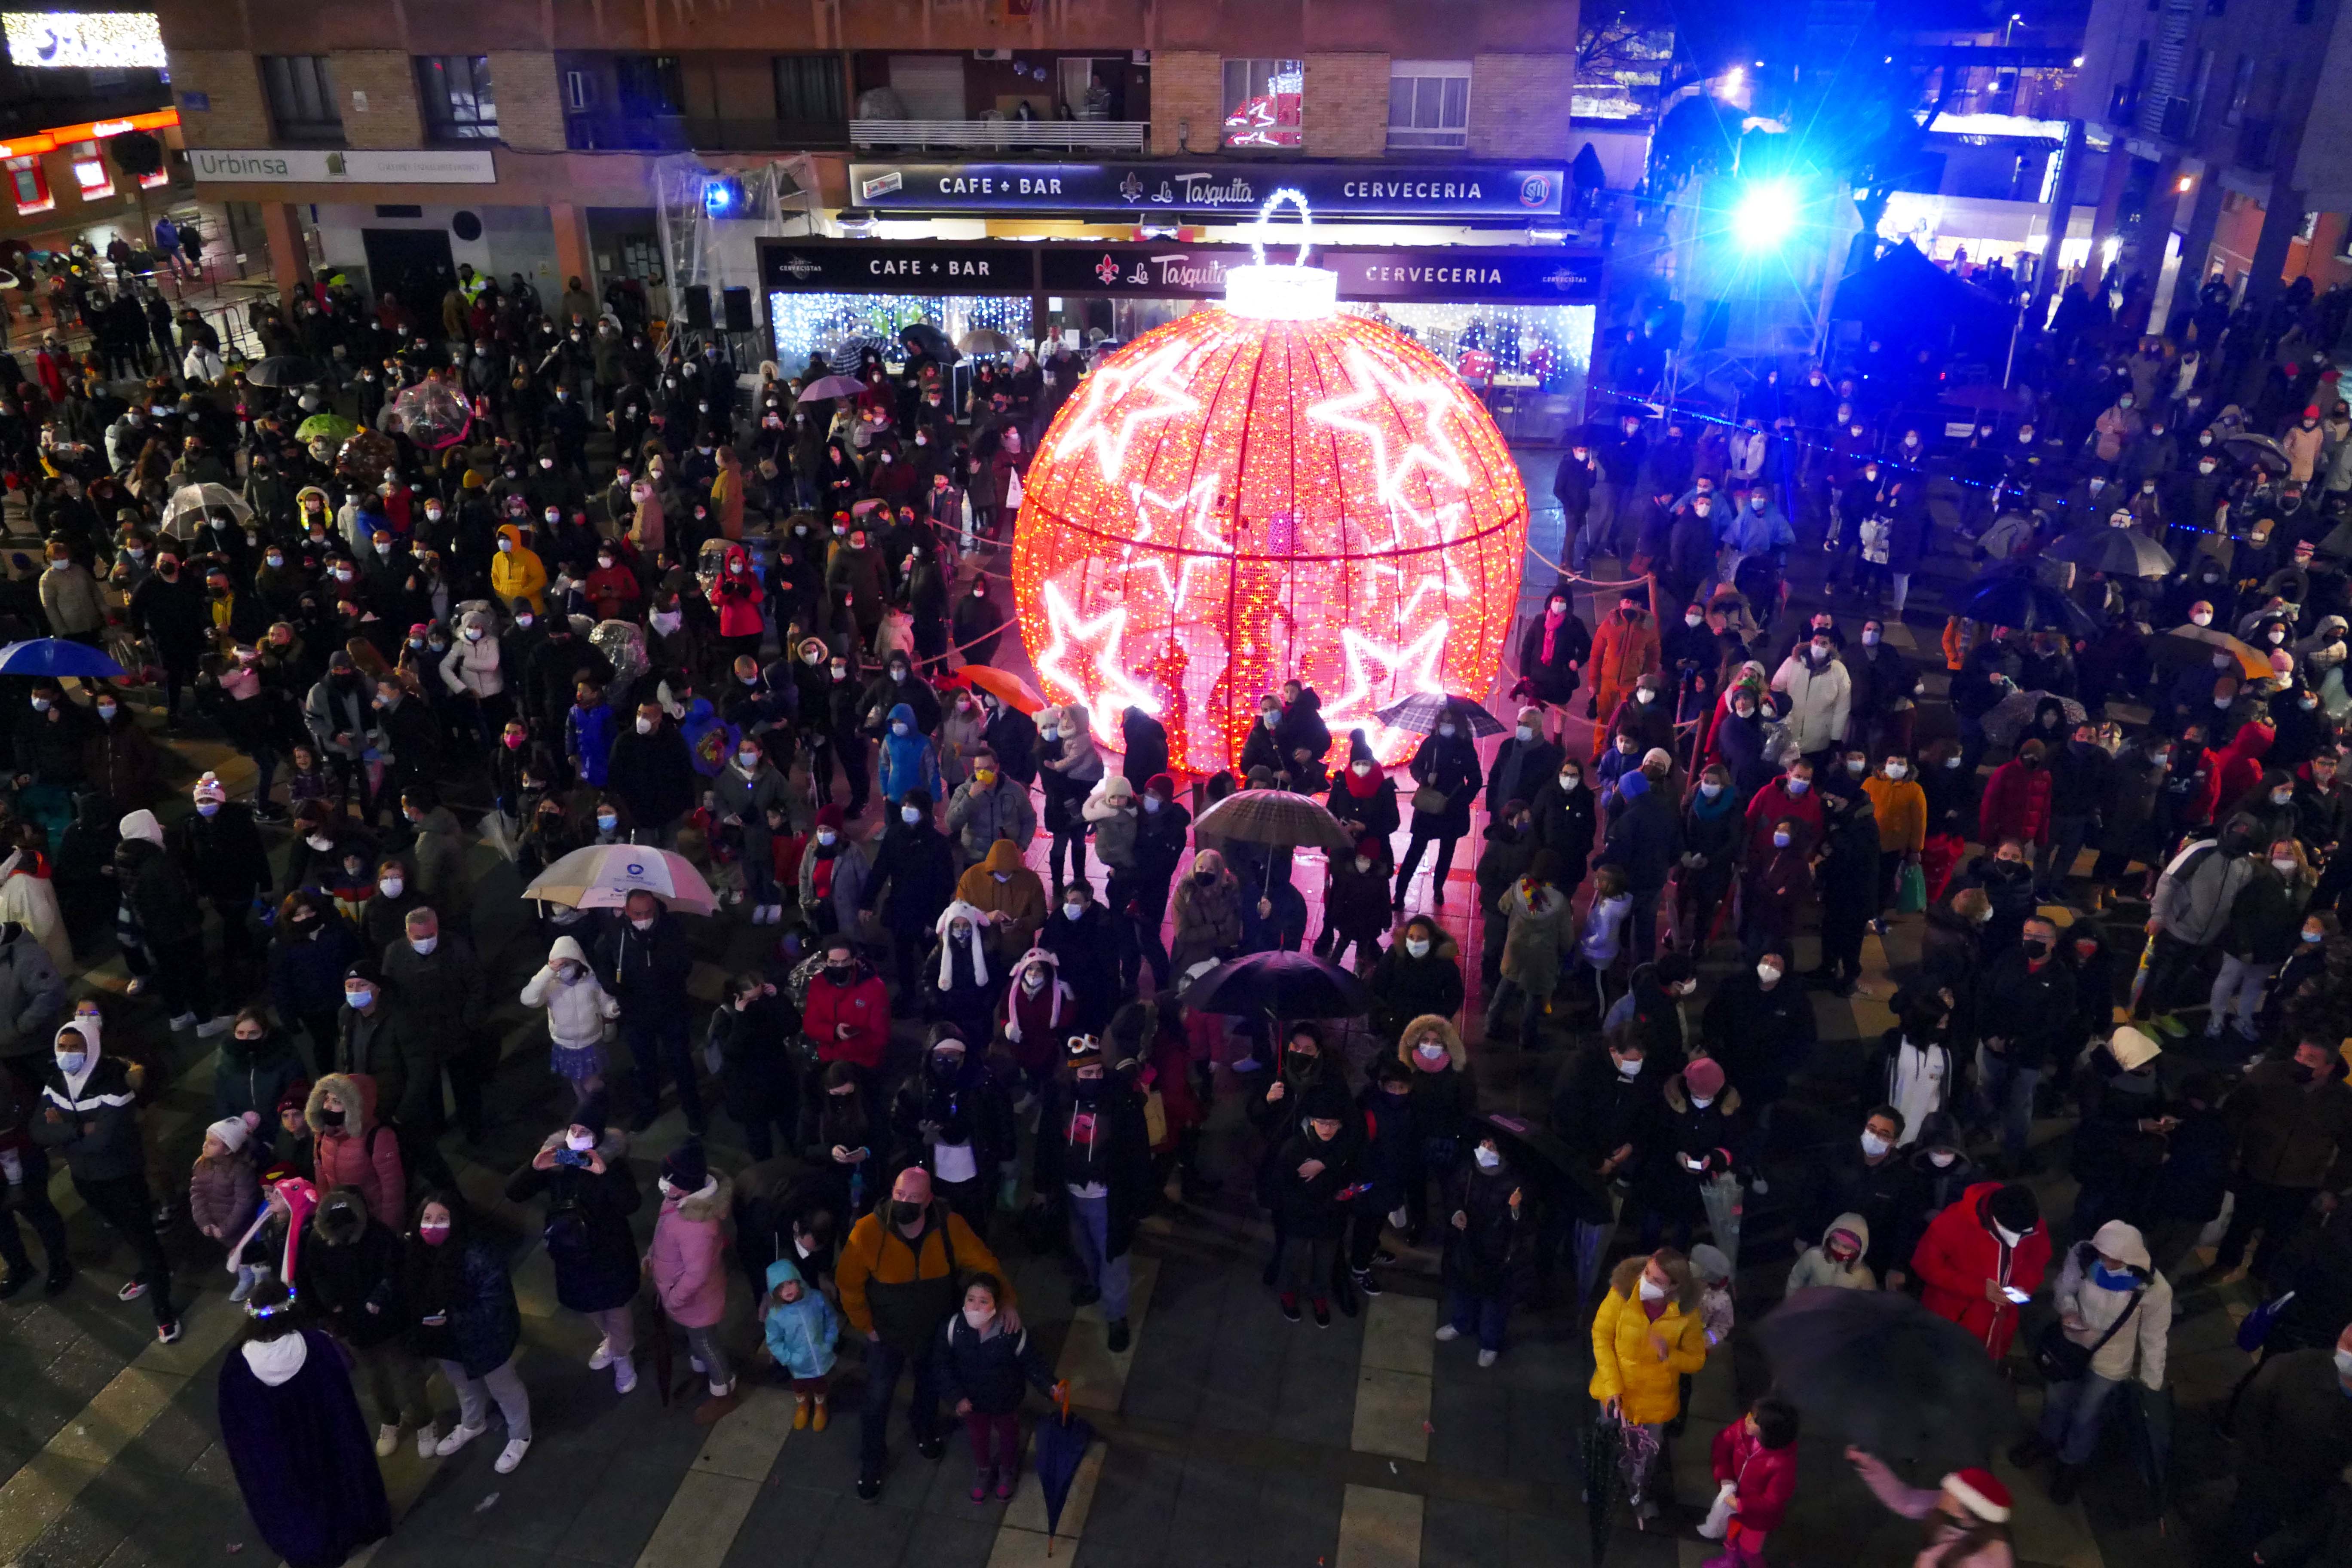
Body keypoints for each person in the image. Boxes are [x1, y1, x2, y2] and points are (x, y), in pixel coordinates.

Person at [837, 1165, 1016, 1501]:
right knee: (877, 1399)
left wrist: (1005, 1300)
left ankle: (924, 1430)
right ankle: (872, 1461)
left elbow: (984, 1263)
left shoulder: (950, 1227)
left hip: (933, 1332)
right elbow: (848, 1285)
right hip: (887, 1335)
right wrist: (867, 1327)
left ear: (929, 1199)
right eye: (900, 1194)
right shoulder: (867, 1232)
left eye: (914, 1197)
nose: (904, 1202)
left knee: (929, 1388)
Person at [215, 1279, 393, 1568]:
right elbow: (341, 1399)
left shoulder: (237, 1369)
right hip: (328, 1441)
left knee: (298, 1502)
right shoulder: (317, 1345)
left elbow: (239, 1431)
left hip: (281, 1456)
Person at [35, 1018, 178, 1340]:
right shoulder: (57, 1082)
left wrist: (63, 1131)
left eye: (75, 1048)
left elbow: (106, 1139)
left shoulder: (113, 1084)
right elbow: (37, 1129)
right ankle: (148, 1270)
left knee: (142, 1234)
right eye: (63, 1047)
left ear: (92, 1049)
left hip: (121, 1177)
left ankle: (164, 1310)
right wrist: (79, 1129)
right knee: (126, 1230)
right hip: (86, 1179)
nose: (67, 1054)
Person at [2008, 1219, 2169, 1502]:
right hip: (2071, 1346)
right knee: (2057, 1400)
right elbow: (2064, 1288)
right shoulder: (2084, 1256)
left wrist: (2151, 1385)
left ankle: (2071, 1463)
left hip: (2111, 1360)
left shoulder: (2153, 1289)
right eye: (2103, 1255)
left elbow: (2154, 1338)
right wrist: (2069, 1311)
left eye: (2115, 1259)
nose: (2107, 1262)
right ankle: (2047, 1440)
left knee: (2088, 1415)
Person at [504, 1095, 643, 1397]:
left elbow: (631, 1203)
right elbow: (514, 1192)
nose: (576, 1137)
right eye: (574, 1130)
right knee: (591, 1307)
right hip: (573, 1253)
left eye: (585, 1132)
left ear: (599, 1136)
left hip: (610, 1253)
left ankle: (622, 1356)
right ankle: (611, 1340)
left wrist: (604, 1174)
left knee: (617, 1309)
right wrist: (534, 1168)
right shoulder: (561, 1159)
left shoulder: (611, 1163)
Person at [1032, 1032, 1152, 1352]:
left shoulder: (1121, 1100)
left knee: (1113, 1257)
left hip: (1108, 1197)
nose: (1094, 1078)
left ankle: (1116, 1315)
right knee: (1083, 1247)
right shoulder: (1058, 1098)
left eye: (1098, 1072)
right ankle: (1092, 1284)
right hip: (1071, 1193)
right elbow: (1047, 1141)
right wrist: (1043, 1185)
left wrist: (1140, 1199)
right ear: (1073, 1073)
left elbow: (1137, 1151)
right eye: (1087, 1074)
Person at [297, 1186, 434, 1457]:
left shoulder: (379, 1236)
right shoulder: (316, 1241)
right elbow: (311, 1279)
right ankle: (390, 1420)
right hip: (353, 1325)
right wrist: (327, 1308)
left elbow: (397, 1272)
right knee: (375, 1376)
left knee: (408, 1372)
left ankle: (424, 1421)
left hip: (392, 1320)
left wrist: (382, 1300)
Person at [404, 1193, 531, 1473]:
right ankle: (473, 1423)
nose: (432, 1226)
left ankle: (520, 1434)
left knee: (504, 1388)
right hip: (448, 1339)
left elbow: (495, 1304)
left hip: (486, 1338)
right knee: (462, 1383)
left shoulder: (478, 1255)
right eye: (427, 1219)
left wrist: (452, 1318)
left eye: (441, 1219)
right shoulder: (416, 1252)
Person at [2211, 1034, 2352, 1284]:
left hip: (2300, 1184)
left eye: (2311, 1059)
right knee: (2239, 1225)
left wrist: (2332, 1189)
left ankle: (2259, 1277)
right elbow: (2235, 1113)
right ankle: (2224, 1264)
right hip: (2255, 1169)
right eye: (2299, 1054)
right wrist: (2231, 1154)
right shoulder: (2268, 1076)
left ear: (2328, 1068)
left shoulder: (2343, 1101)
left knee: (2279, 1235)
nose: (2300, 1062)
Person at [1589, 1248, 1709, 1526]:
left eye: (1657, 1280)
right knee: (1607, 1443)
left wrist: (1669, 1354)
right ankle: (1601, 1489)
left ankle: (1638, 1498)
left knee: (1644, 1457)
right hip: (1615, 1393)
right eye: (1647, 1274)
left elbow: (1696, 1361)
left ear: (1675, 1286)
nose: (1647, 1282)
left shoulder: (1687, 1314)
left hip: (1655, 1401)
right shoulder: (1621, 1293)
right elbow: (1601, 1336)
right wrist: (1613, 1386)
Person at [935, 1271, 1063, 1503]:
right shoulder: (953, 1329)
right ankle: (983, 1470)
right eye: (971, 1299)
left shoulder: (1011, 1334)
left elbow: (1033, 1364)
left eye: (984, 1301)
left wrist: (1051, 1387)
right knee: (978, 1436)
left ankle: (1007, 1470)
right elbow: (942, 1366)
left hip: (1005, 1399)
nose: (975, 1307)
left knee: (1008, 1435)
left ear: (996, 1304)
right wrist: (956, 1398)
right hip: (972, 1402)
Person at [2231, 1321, 2352, 1556]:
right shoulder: (2291, 1368)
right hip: (2267, 1480)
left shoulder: (2287, 1366)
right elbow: (2249, 1419)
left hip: (2314, 1498)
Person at [648, 1141, 738, 1423]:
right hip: (687, 1297)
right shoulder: (681, 1202)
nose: (664, 1185)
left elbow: (697, 1274)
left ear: (686, 1186)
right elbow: (663, 1233)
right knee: (696, 1340)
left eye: (670, 1180)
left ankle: (724, 1392)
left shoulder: (698, 1226)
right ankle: (704, 1376)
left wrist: (674, 1299)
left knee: (706, 1343)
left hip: (695, 1299)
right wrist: (652, 1256)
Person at [594, 889, 698, 1133]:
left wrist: (658, 954)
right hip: (636, 1013)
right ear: (627, 912)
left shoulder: (671, 928)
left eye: (648, 913)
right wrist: (612, 985)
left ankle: (693, 1111)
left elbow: (685, 965)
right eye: (638, 914)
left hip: (671, 1009)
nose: (644, 918)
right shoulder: (615, 933)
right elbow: (603, 963)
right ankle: (648, 1108)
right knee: (644, 1065)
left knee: (681, 1062)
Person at [1912, 1180, 2050, 1360]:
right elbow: (1925, 1264)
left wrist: (2024, 1285)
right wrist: (1978, 1288)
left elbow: (2037, 1259)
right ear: (1993, 1218)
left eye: (2023, 1236)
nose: (2017, 1242)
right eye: (2011, 1235)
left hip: (1999, 1327)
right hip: (1954, 1323)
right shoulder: (1954, 1221)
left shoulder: (2028, 1219)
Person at [1435, 1128, 1525, 1366]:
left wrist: (1515, 1209)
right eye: (1484, 1143)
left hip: (1498, 1250)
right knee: (1462, 1286)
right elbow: (1452, 1194)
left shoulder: (1515, 1181)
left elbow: (1523, 1224)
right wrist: (1456, 1214)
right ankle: (1461, 1323)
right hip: (1467, 1242)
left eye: (1492, 1146)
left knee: (1494, 1301)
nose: (1485, 1148)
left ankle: (1490, 1343)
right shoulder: (1467, 1168)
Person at [1846, 1452, 2016, 1568]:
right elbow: (1906, 1500)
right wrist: (1870, 1466)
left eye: (1951, 1494)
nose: (1943, 1492)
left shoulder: (1987, 1559)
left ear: (1965, 1514)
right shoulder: (1945, 1508)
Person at [1393, 707, 1481, 910]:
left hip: (1453, 809)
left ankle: (1438, 888)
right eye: (1443, 721)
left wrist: (1462, 801)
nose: (1446, 725)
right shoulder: (1430, 744)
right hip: (1428, 806)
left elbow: (1476, 779)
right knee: (1415, 850)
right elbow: (1415, 767)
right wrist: (1425, 778)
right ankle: (1400, 894)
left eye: (1450, 721)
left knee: (1447, 851)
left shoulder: (1466, 748)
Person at [1698, 1396, 1800, 1568]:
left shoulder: (1783, 1464)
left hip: (1757, 1518)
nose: (1747, 1419)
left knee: (1749, 1551)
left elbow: (1773, 1501)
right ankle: (1731, 1562)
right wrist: (1725, 1477)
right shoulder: (1742, 1430)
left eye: (1754, 1420)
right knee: (1730, 1538)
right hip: (1734, 1504)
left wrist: (1741, 1505)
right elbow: (1722, 1444)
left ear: (1769, 1432)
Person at [520, 935, 620, 1109]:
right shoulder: (549, 985)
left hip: (590, 1042)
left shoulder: (591, 981)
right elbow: (528, 999)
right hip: (566, 1045)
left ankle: (597, 1109)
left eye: (568, 962)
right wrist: (549, 971)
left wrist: (612, 1008)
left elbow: (605, 1002)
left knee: (592, 1083)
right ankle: (588, 1111)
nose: (564, 968)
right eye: (560, 964)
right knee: (578, 1083)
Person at [759, 1253, 840, 1432]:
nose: (787, 1290)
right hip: (797, 1362)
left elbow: (831, 1320)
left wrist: (828, 1343)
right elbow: (774, 1340)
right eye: (781, 1287)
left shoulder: (816, 1299)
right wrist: (788, 1358)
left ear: (798, 1279)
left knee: (819, 1383)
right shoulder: (776, 1315)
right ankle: (803, 1405)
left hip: (820, 1355)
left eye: (790, 1282)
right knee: (799, 1385)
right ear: (775, 1291)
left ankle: (820, 1406)